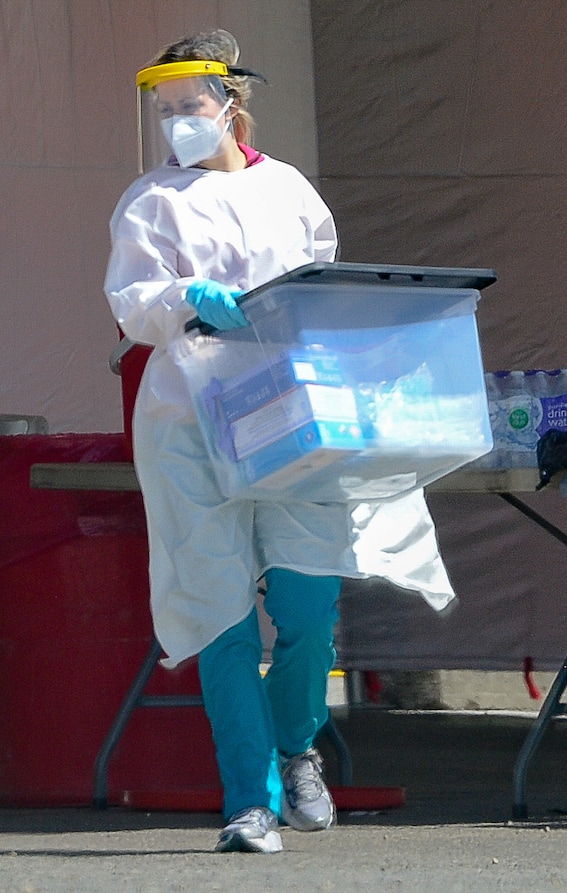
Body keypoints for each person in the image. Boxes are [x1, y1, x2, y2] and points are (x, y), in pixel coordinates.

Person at [104, 29, 457, 854]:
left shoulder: (290, 189)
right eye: (166, 108)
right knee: (222, 614)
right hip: (192, 420)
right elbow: (133, 299)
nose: (177, 121)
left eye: (191, 104)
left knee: (306, 604)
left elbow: (323, 279)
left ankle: (298, 747)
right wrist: (186, 297)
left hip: (290, 414)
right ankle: (249, 801)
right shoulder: (149, 201)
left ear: (231, 104)